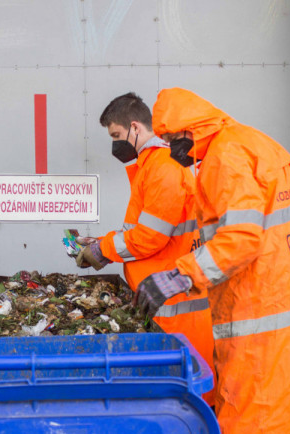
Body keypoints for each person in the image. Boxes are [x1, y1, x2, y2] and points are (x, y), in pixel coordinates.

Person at [136, 87, 290, 433]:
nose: (170, 148)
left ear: (191, 130)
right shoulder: (252, 141)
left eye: (171, 138)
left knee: (255, 420)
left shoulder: (224, 158)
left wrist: (180, 276)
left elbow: (241, 238)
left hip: (259, 318)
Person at [75, 92, 216, 404]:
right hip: (162, 299)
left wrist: (104, 251)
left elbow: (150, 238)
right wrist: (100, 242)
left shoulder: (162, 168)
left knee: (179, 400)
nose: (115, 144)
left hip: (173, 308)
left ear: (135, 127)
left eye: (116, 135)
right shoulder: (152, 166)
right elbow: (139, 230)